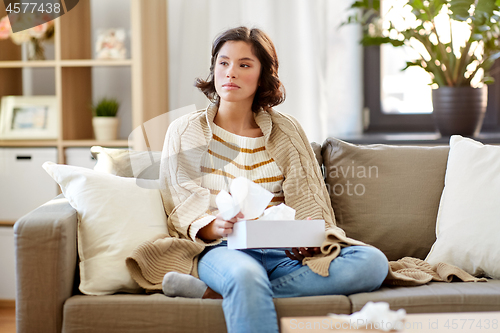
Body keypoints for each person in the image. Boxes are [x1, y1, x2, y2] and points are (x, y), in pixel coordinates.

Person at [159, 26, 389, 333]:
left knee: (372, 262)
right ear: (213, 68)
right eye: (223, 63)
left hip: (281, 251)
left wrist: (307, 239)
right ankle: (240, 289)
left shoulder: (287, 130)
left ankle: (224, 295)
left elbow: (309, 196)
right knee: (245, 277)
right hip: (222, 249)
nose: (231, 73)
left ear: (262, 74)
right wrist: (214, 225)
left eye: (244, 65)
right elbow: (177, 198)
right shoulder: (185, 129)